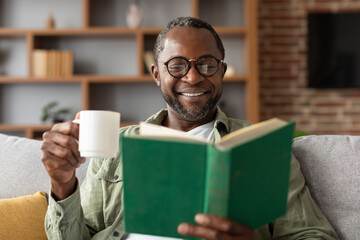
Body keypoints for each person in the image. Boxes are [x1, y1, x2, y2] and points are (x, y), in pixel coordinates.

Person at [42, 17, 339, 240]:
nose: (194, 77)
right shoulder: (115, 147)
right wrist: (62, 184)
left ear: (222, 72)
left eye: (207, 64)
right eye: (177, 65)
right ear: (157, 75)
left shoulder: (263, 148)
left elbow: (316, 236)